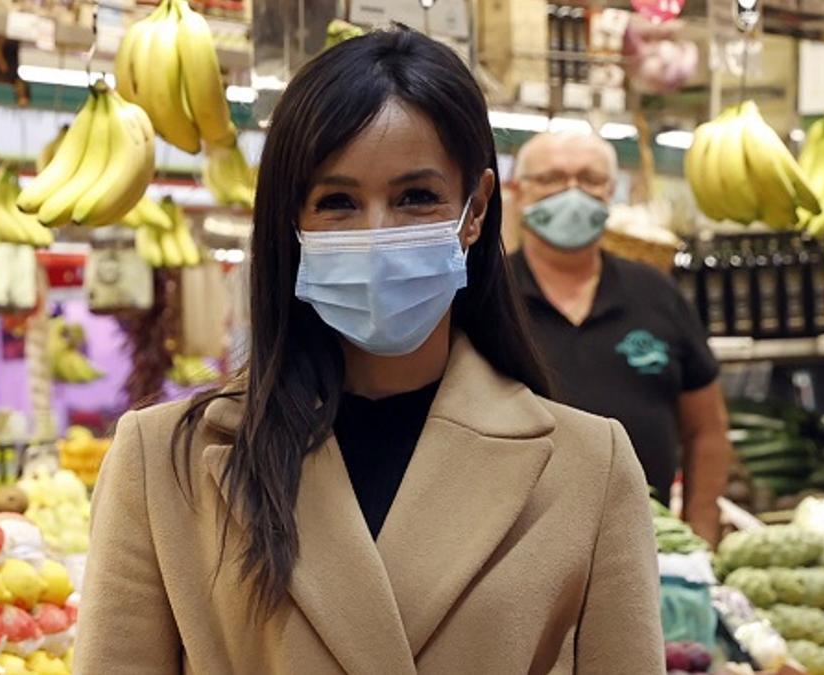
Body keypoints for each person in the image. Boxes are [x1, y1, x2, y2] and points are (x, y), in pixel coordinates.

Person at [76, 28, 664, 674]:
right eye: (338, 202)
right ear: (292, 222)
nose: (376, 232)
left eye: (415, 197)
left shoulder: (590, 469)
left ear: (475, 211)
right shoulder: (163, 464)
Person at [508, 130, 732, 545]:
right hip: (518, 550)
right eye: (552, 178)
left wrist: (700, 533)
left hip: (647, 543)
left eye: (590, 179)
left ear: (611, 193)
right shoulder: (489, 298)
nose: (572, 193)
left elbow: (706, 428)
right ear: (518, 191)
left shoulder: (656, 293)